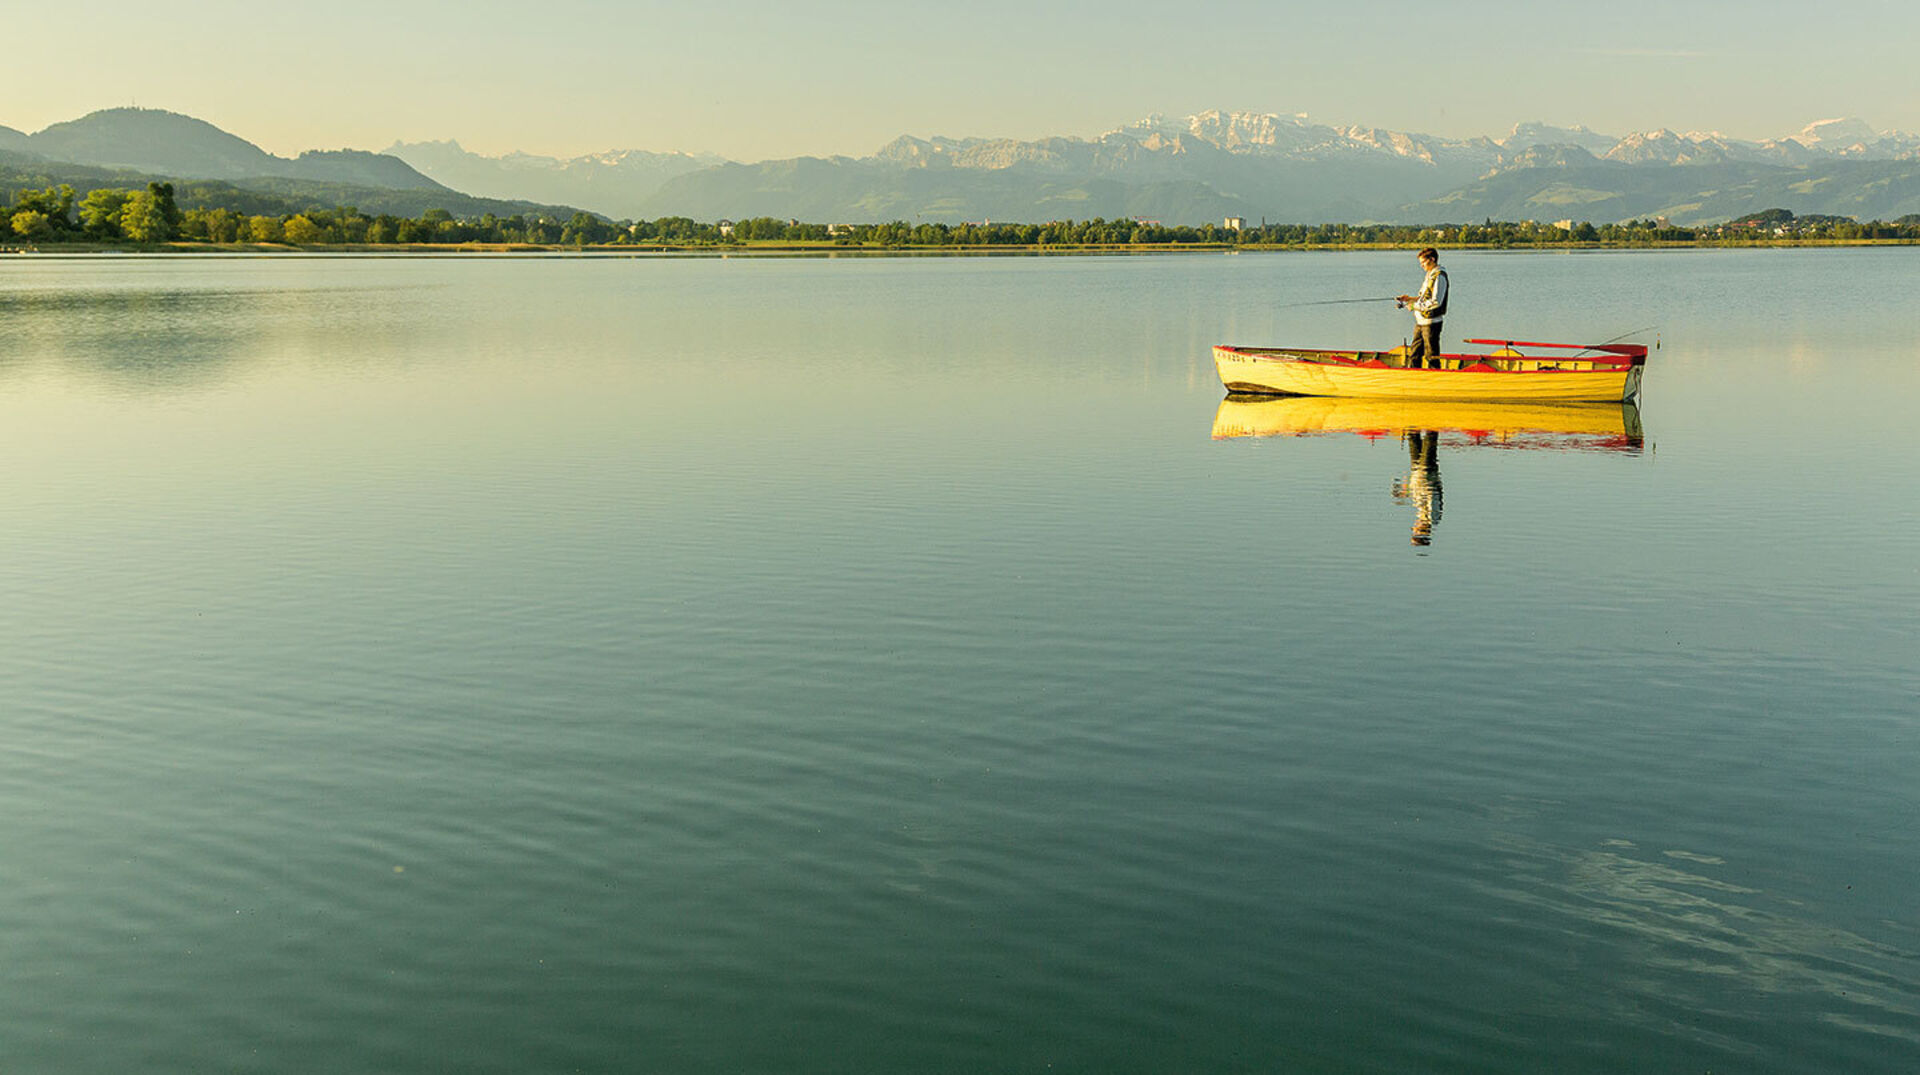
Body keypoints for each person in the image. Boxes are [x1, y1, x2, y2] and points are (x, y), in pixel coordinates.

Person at [1395, 248, 1448, 369]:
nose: (1421, 265)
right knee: (1414, 353)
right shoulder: (1430, 275)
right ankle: (1415, 378)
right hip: (1420, 321)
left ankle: (1434, 379)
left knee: (1431, 355)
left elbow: (1436, 302)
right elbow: (1423, 298)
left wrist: (1414, 306)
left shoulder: (1440, 277)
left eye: (1423, 262)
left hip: (1431, 323)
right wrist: (1409, 299)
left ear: (1432, 259)